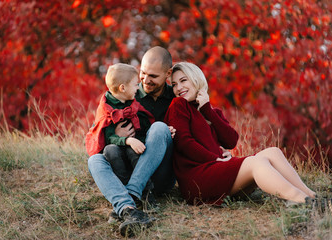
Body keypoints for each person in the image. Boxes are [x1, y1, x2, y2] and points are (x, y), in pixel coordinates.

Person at [164, 62, 319, 208]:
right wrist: (214, 158)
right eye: (174, 84)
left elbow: (231, 141)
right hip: (197, 177)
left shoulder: (211, 112)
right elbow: (184, 142)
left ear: (196, 79)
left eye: (183, 81)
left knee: (273, 152)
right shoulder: (178, 105)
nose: (178, 88)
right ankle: (300, 200)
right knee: (255, 163)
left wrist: (207, 110)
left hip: (216, 169)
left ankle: (312, 196)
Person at [86, 46, 176, 237]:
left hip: (157, 174)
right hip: (125, 168)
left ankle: (133, 193)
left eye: (153, 76)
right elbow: (99, 133)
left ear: (168, 74)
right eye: (142, 73)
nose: (144, 80)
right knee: (94, 160)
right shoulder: (123, 93)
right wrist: (120, 137)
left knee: (159, 128)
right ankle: (127, 207)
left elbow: (198, 131)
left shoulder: (176, 97)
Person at [86, 63, 155, 196]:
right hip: (116, 154)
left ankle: (146, 191)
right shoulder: (107, 109)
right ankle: (124, 186)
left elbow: (146, 125)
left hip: (134, 150)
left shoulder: (132, 102)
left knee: (133, 150)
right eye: (135, 84)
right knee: (110, 150)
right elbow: (108, 137)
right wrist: (128, 140)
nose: (138, 88)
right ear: (122, 88)